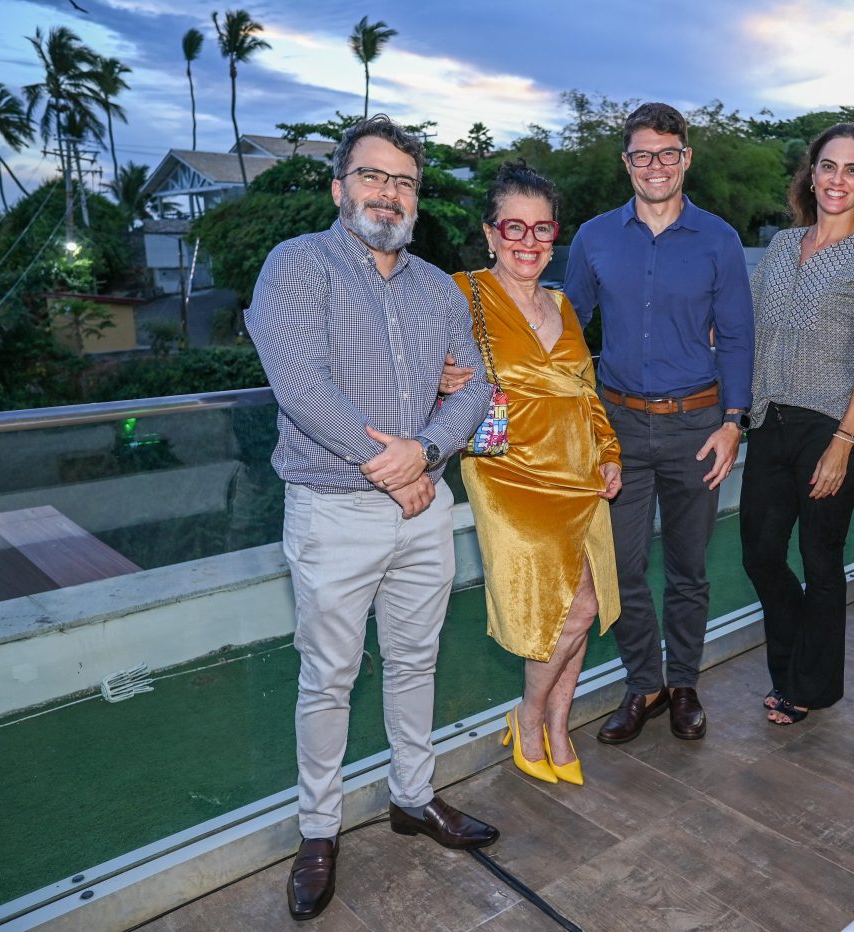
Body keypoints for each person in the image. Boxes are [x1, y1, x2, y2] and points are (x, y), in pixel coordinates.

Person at [245, 114, 499, 922]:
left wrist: (422, 454)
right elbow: (299, 384)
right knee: (328, 678)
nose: (388, 193)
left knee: (416, 661)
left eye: (403, 181)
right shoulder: (297, 265)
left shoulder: (436, 286)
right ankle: (319, 830)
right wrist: (392, 463)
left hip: (423, 508)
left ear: (416, 198)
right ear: (338, 186)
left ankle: (412, 797)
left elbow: (476, 387)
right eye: (372, 176)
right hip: (334, 512)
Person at [564, 102, 755, 744]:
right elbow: (562, 332)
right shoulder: (594, 238)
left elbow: (735, 337)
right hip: (617, 426)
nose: (656, 166)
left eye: (667, 154)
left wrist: (733, 421)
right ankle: (643, 683)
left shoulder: (720, 240)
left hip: (697, 426)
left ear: (686, 159)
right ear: (626, 163)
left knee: (688, 568)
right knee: (619, 567)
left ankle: (685, 685)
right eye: (642, 154)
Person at [453, 162, 623, 786]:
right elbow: (415, 371)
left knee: (590, 600)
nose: (528, 241)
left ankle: (557, 722)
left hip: (579, 472)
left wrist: (610, 452)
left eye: (541, 228)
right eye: (513, 227)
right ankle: (527, 717)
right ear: (490, 233)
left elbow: (587, 391)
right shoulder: (460, 292)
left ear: (555, 236)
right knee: (567, 610)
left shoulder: (562, 303)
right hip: (510, 475)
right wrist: (442, 382)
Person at [741, 122, 854, 725]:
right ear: (811, 175)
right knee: (759, 554)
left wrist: (842, 441)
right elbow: (750, 327)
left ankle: (808, 686)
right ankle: (792, 663)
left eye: (853, 170)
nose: (838, 179)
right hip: (770, 422)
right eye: (829, 166)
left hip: (831, 428)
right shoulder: (783, 247)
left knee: (819, 559)